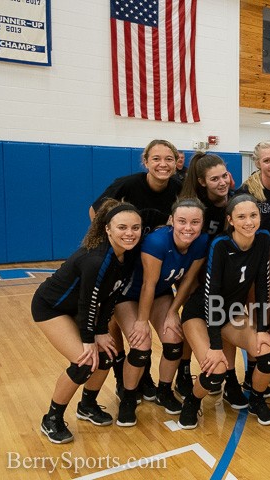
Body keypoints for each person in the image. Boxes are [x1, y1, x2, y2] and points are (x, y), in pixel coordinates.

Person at [33, 200, 142, 443]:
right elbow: (88, 302)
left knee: (106, 355)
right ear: (107, 229)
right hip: (51, 307)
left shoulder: (128, 255)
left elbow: (111, 296)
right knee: (84, 362)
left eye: (135, 228)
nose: (129, 233)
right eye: (122, 227)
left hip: (79, 309)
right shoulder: (97, 259)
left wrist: (102, 332)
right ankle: (52, 418)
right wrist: (88, 339)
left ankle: (87, 405)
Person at [91, 139, 182, 403]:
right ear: (146, 162)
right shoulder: (128, 184)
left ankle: (147, 378)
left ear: (176, 162)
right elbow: (95, 210)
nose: (162, 164)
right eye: (156, 159)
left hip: (154, 265)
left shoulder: (177, 188)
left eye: (168, 159)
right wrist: (111, 243)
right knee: (115, 322)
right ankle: (123, 375)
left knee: (154, 332)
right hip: (124, 264)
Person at [178, 194, 270, 428]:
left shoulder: (263, 238)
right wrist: (215, 347)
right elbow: (211, 296)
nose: (248, 222)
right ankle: (192, 402)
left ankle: (255, 399)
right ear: (230, 220)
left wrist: (263, 330)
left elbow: (263, 285)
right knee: (216, 371)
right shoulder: (221, 245)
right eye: (241, 217)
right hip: (201, 313)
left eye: (253, 215)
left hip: (232, 313)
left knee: (267, 354)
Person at [113, 199, 209, 427]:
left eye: (195, 222)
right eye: (182, 221)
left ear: (202, 223)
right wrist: (142, 321)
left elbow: (188, 281)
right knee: (141, 346)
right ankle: (128, 397)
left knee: (174, 340)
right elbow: (148, 283)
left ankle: (164, 391)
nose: (188, 228)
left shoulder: (201, 242)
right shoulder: (156, 242)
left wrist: (173, 311)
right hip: (129, 295)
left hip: (161, 295)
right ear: (171, 221)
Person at [174, 152, 234, 399]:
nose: (221, 182)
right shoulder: (196, 207)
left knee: (222, 320)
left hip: (223, 272)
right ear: (202, 182)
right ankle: (184, 370)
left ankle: (228, 375)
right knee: (193, 317)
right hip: (194, 270)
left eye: (224, 176)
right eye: (214, 179)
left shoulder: (235, 202)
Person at [237, 142, 270, 399]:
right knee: (256, 316)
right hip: (250, 263)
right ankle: (251, 374)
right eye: (268, 161)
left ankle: (266, 364)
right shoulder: (247, 192)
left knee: (269, 312)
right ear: (257, 163)